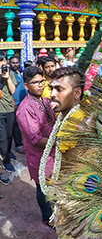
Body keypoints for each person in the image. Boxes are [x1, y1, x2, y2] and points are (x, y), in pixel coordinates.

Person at [16, 66, 56, 227]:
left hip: (53, 152)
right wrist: (58, 141)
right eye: (35, 82)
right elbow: (35, 139)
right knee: (42, 187)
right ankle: (47, 216)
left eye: (42, 81)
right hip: (40, 157)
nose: (40, 85)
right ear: (26, 86)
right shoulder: (24, 109)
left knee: (52, 183)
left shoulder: (46, 101)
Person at [0, 51, 17, 173]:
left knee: (10, 135)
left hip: (9, 109)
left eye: (4, 61)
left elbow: (13, 90)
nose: (3, 63)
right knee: (3, 138)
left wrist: (6, 77)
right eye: (1, 61)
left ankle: (8, 152)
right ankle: (6, 161)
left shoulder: (9, 73)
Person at [9, 55, 27, 154]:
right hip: (15, 103)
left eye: (17, 62)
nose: (15, 64)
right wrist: (14, 103)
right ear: (9, 63)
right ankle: (18, 145)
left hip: (22, 103)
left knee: (20, 124)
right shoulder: (10, 75)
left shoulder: (19, 73)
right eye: (13, 62)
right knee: (15, 125)